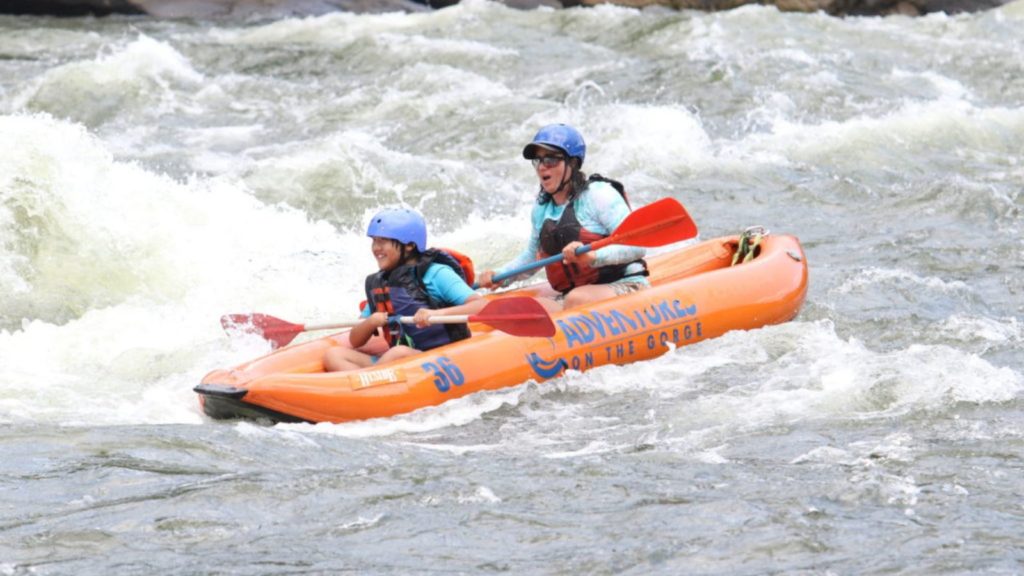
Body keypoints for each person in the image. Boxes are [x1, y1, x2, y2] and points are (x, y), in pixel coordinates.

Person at [476, 124, 648, 310]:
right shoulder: (541, 209)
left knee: (576, 298)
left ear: (572, 163)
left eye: (550, 159)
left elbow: (636, 245)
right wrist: (500, 275)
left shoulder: (599, 195)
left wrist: (592, 256)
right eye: (538, 160)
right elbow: (533, 257)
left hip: (625, 285)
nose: (542, 167)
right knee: (530, 308)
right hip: (574, 295)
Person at [324, 208, 487, 372]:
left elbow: (480, 306)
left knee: (397, 353)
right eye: (374, 241)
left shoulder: (436, 273)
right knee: (334, 355)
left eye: (383, 241)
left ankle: (366, 384)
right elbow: (355, 340)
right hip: (399, 360)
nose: (376, 248)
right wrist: (371, 321)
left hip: (442, 356)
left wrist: (436, 314)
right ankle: (363, 385)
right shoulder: (381, 282)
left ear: (409, 245)